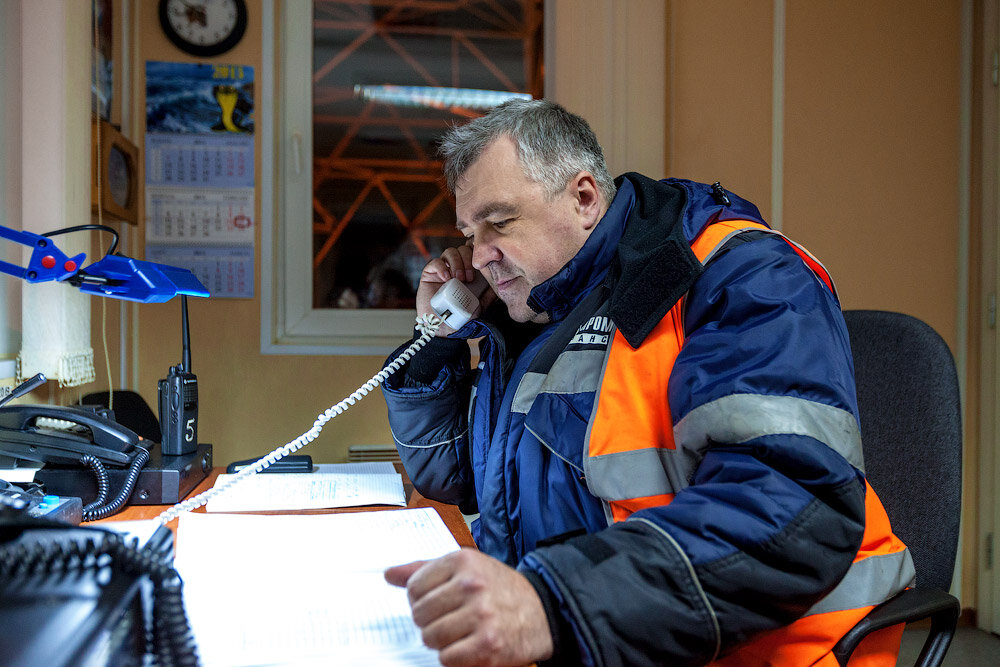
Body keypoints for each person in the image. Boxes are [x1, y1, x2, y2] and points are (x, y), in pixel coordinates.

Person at [380, 99, 913, 667]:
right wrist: (435, 334)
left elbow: (789, 511)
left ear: (583, 198)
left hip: (754, 652)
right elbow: (450, 481)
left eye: (501, 222)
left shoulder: (744, 277)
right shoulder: (532, 313)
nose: (480, 255)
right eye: (469, 231)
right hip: (586, 638)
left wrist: (552, 604)